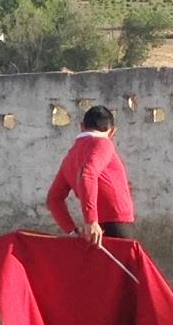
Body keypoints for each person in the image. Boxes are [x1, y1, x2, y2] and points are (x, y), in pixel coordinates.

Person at [46, 104, 136, 247]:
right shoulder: (104, 143)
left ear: (82, 126)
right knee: (129, 268)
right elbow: (88, 175)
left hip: (96, 229)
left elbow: (53, 199)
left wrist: (72, 230)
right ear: (112, 132)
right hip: (117, 222)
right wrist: (91, 221)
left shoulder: (71, 155)